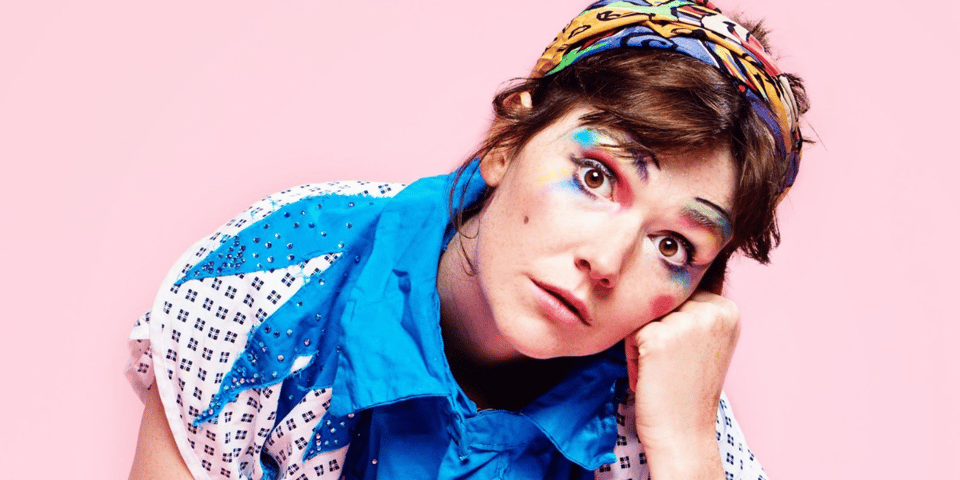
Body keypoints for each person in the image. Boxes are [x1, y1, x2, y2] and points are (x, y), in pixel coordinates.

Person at [126, 1, 809, 479]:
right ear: (507, 141)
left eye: (673, 246)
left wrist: (687, 450)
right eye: (596, 175)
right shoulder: (282, 282)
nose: (606, 263)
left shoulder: (664, 413)